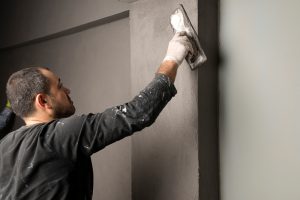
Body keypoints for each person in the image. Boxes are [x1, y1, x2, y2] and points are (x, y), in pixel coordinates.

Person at [0, 32, 193, 200]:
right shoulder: (60, 136)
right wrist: (172, 57)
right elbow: (138, 112)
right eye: (59, 86)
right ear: (43, 102)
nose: (67, 89)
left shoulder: (5, 145)